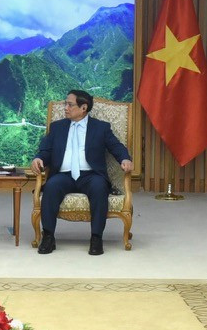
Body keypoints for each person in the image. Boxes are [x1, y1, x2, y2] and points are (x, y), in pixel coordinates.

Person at [32, 89, 135, 256]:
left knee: (99, 187)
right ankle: (48, 236)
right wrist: (38, 158)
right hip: (63, 175)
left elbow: (116, 146)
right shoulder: (57, 127)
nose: (65, 107)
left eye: (69, 104)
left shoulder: (100, 128)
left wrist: (125, 159)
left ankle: (96, 238)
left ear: (83, 108)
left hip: (90, 175)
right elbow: (45, 150)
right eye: (65, 103)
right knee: (51, 187)